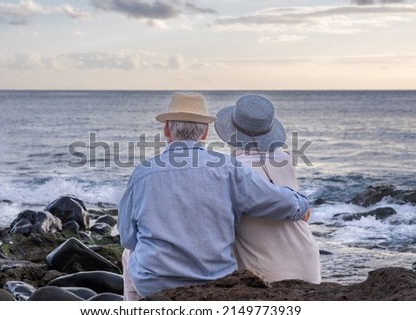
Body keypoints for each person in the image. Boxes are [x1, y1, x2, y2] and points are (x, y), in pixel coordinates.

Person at [117, 92, 311, 300]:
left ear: (166, 130)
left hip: (155, 284)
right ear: (205, 133)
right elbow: (275, 200)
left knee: (128, 256)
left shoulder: (142, 173)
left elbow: (128, 236)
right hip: (215, 281)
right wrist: (301, 204)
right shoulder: (228, 168)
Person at [214, 94, 321, 284]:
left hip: (266, 272)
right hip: (307, 260)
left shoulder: (230, 169)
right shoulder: (285, 159)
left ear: (231, 131)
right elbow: (305, 214)